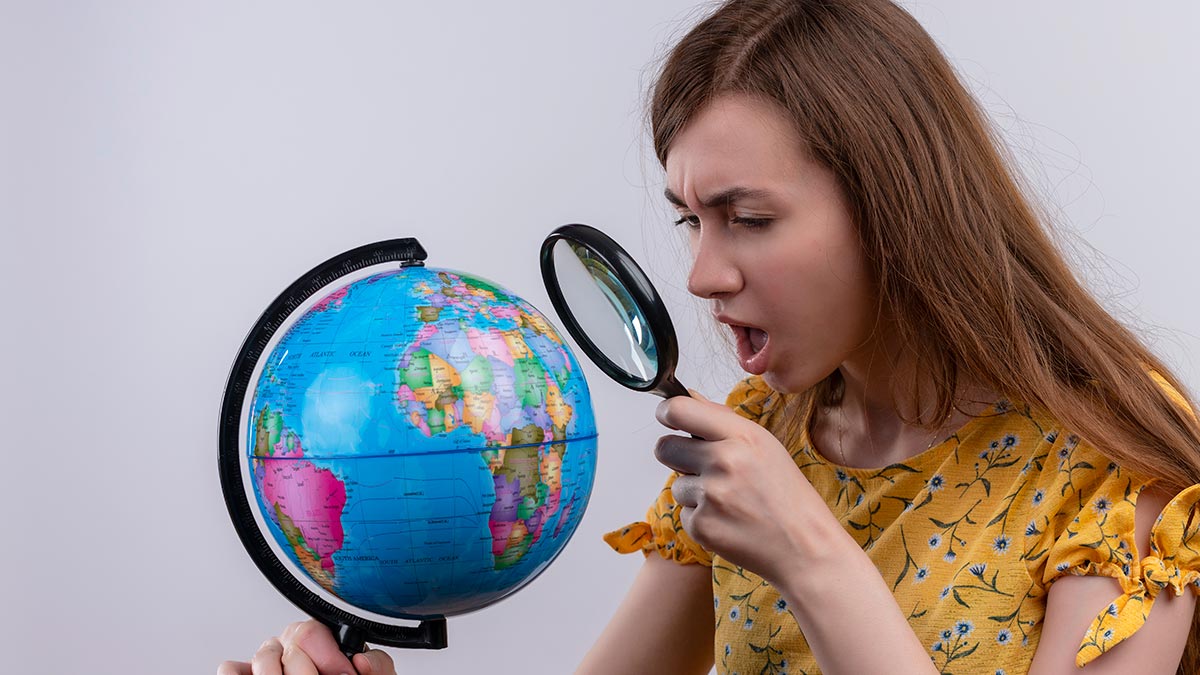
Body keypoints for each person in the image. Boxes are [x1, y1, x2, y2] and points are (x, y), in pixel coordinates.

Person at [220, 0, 1200, 673]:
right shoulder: (763, 429)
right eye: (693, 220)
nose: (702, 275)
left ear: (895, 211)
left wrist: (811, 554)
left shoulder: (1112, 455)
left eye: (750, 218)